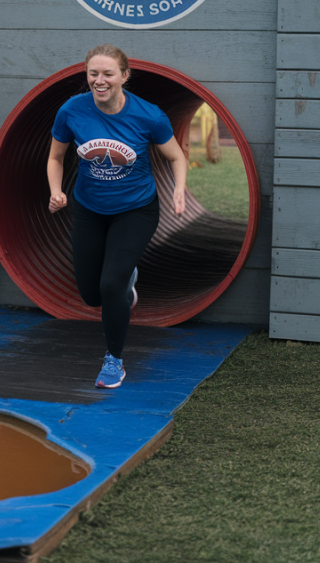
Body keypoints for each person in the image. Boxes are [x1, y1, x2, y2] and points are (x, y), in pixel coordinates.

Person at [46, 45, 188, 389]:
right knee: (91, 295)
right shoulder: (72, 110)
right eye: (93, 73)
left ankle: (114, 361)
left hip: (136, 210)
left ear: (124, 76)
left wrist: (180, 189)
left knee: (110, 285)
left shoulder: (148, 115)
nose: (99, 80)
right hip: (89, 209)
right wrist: (56, 191)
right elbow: (55, 157)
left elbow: (176, 156)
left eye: (108, 73)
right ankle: (125, 281)